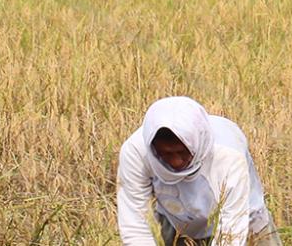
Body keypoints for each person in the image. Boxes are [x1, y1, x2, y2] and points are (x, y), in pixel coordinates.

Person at [117, 97, 279, 246]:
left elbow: (231, 234)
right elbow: (135, 226)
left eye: (182, 152)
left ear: (196, 144)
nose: (176, 162)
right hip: (177, 219)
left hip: (243, 218)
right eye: (166, 154)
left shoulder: (228, 155)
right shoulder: (136, 152)